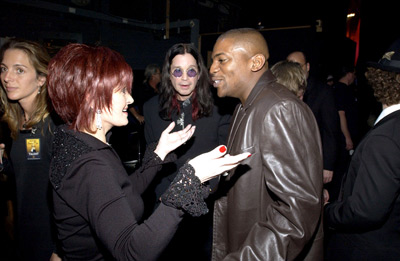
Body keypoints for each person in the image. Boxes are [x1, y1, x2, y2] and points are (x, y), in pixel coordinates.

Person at [46, 43, 249, 261]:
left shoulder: (76, 141)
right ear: (92, 98)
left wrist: (159, 154)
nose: (131, 99)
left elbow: (118, 194)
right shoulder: (91, 162)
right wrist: (187, 183)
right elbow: (133, 251)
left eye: (191, 71)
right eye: (122, 91)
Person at [209, 28, 324, 260]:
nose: (212, 69)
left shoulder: (279, 108)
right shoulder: (245, 106)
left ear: (256, 62)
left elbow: (297, 211)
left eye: (221, 60)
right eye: (212, 60)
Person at [143, 43, 232, 260]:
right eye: (178, 71)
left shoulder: (220, 107)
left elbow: (225, 159)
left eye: (191, 71)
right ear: (168, 74)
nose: (185, 78)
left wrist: (203, 192)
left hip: (205, 205)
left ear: (199, 73)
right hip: (165, 203)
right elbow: (151, 161)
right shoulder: (151, 108)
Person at [324, 39, 400, 260]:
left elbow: (365, 211)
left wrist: (327, 211)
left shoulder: (385, 138)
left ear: (381, 80)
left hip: (367, 249)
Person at [0, 38, 62, 261]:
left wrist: (59, 249)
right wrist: (3, 164)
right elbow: (29, 174)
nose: (8, 77)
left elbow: (72, 193)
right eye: (4, 69)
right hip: (25, 234)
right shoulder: (18, 122)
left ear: (41, 79)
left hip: (51, 240)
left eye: (19, 70)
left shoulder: (55, 125)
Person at [287, 51, 340, 186]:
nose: (294, 69)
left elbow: (331, 130)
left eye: (297, 65)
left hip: (315, 159)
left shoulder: (323, 91)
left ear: (308, 67)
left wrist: (327, 165)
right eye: (290, 65)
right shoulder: (284, 89)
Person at [330, 65, 358, 202]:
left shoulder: (340, 89)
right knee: (341, 172)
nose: (354, 77)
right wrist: (348, 138)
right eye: (354, 74)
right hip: (342, 140)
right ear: (349, 74)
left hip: (342, 138)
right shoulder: (341, 90)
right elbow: (341, 115)